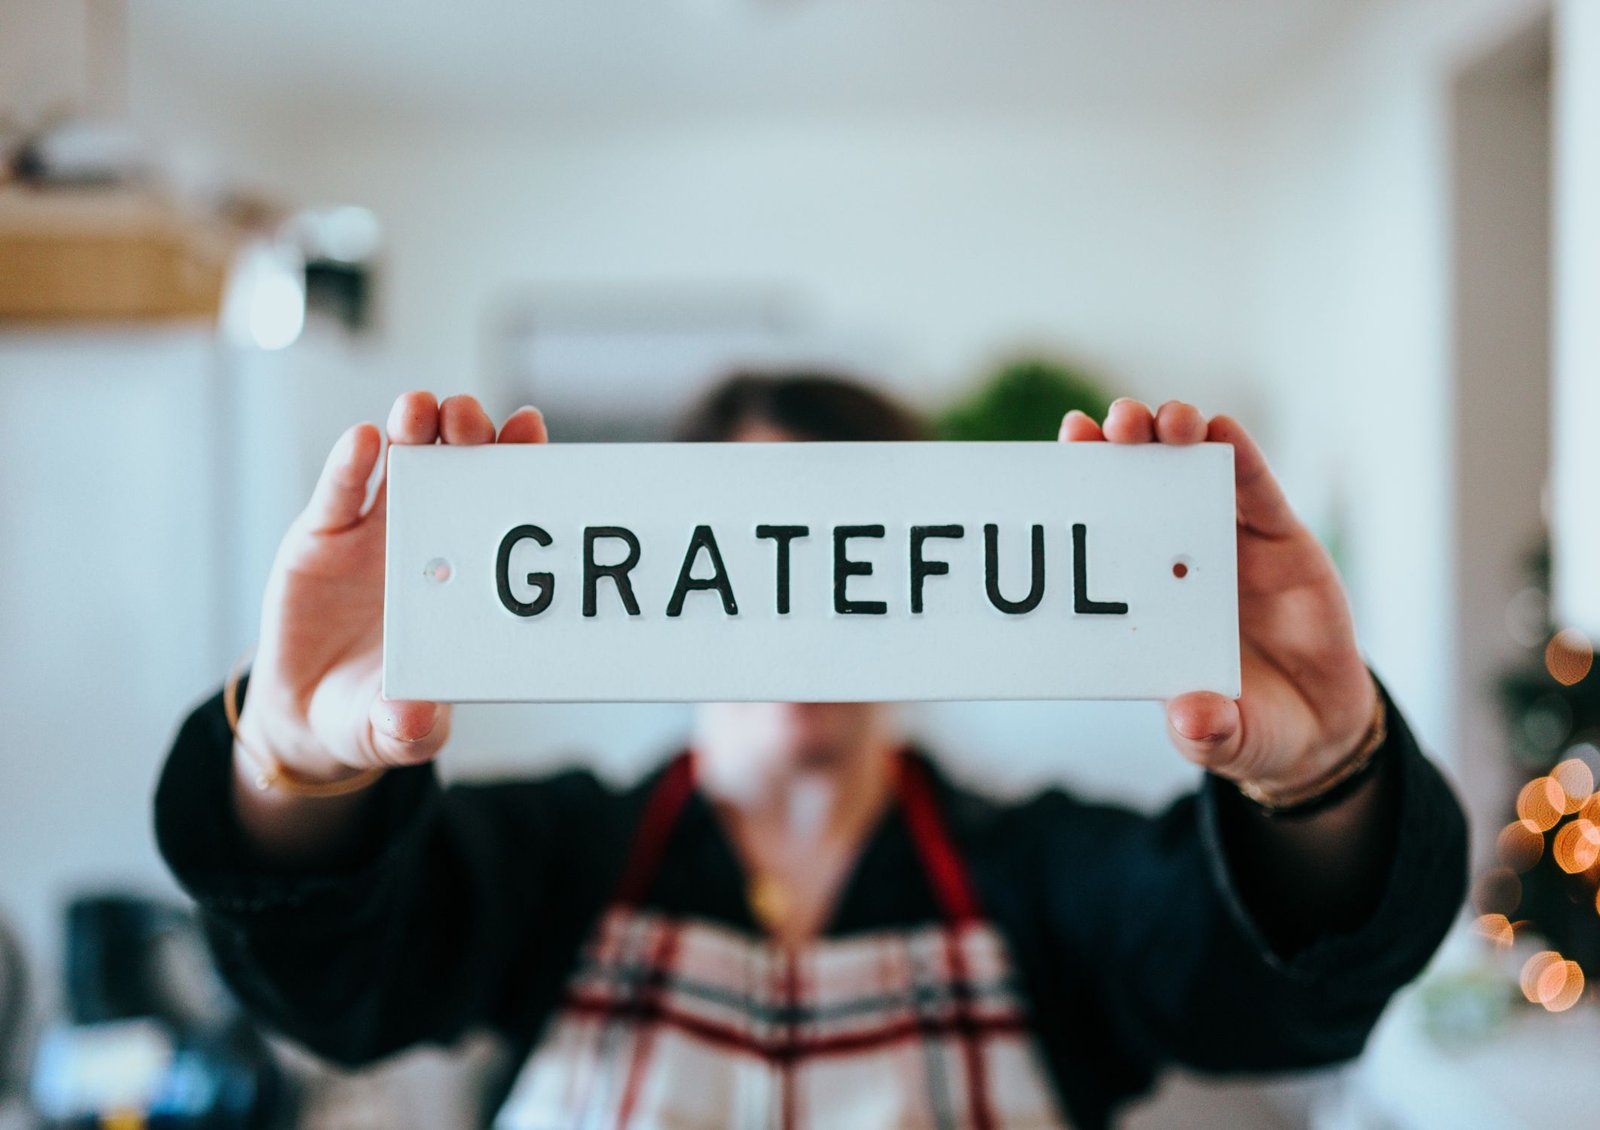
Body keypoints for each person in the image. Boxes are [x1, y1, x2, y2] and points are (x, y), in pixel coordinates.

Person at [154, 374, 1467, 1129]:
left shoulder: (1047, 872)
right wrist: (298, 766)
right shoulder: (553, 855)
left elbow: (1268, 996)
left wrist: (1323, 776)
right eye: (767, 546)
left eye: (859, 554)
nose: (811, 612)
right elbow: (336, 982)